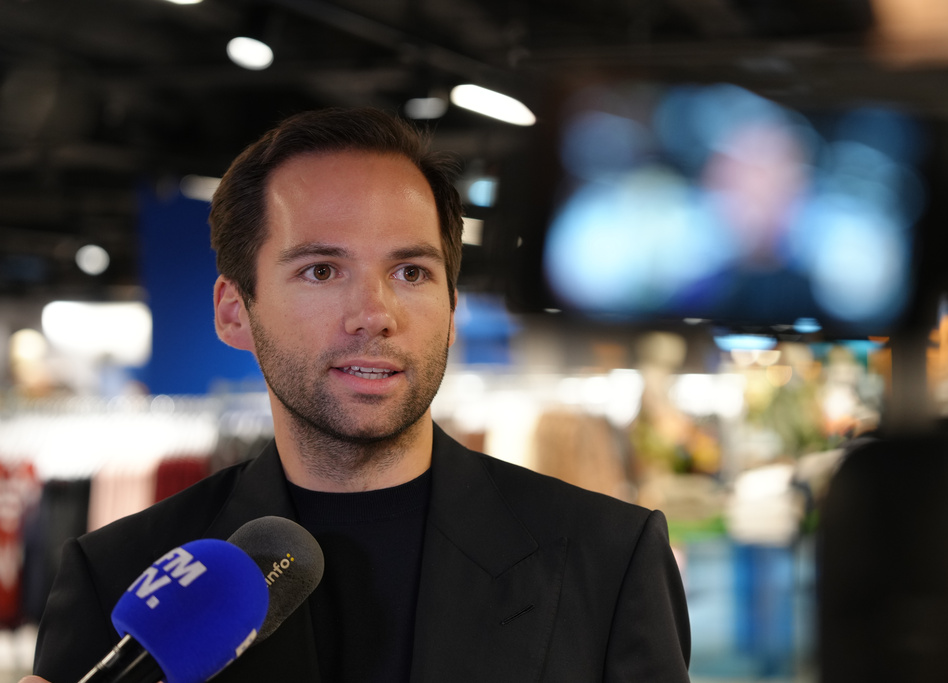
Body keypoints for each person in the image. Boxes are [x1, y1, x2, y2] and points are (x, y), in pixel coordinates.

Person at [26, 107, 691, 682]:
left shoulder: (607, 557)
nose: (374, 312)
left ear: (452, 309)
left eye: (410, 270)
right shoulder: (118, 575)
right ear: (234, 311)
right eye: (322, 269)